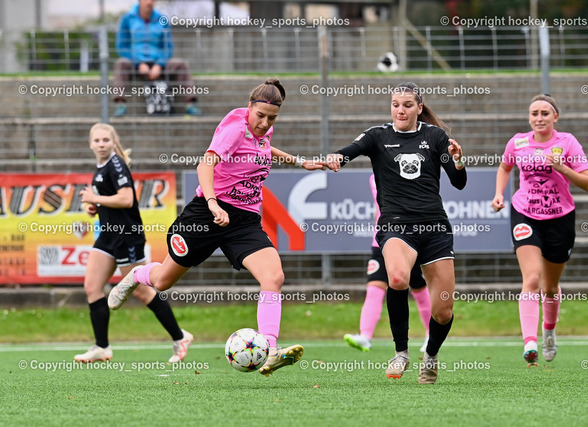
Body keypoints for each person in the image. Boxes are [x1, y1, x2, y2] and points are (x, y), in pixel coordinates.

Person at [108, 79, 323, 377]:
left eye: (271, 119)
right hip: (206, 217)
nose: (264, 124)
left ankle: (271, 351)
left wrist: (299, 162)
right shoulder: (234, 128)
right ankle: (135, 275)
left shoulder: (263, 129)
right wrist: (212, 203)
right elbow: (205, 164)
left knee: (274, 277)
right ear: (249, 107)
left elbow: (262, 148)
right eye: (260, 116)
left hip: (244, 221)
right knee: (162, 282)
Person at [326, 82, 467, 384]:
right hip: (395, 225)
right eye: (395, 104)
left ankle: (430, 356)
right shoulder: (378, 136)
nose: (400, 110)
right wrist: (336, 157)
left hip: (434, 228)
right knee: (399, 278)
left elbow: (458, 182)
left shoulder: (435, 137)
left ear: (419, 107)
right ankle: (401, 353)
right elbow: (349, 151)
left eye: (407, 105)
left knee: (443, 310)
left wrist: (457, 159)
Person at [74, 123, 193, 364]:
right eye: (97, 140)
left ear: (113, 142)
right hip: (108, 235)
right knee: (92, 288)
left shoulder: (116, 164)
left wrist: (94, 197)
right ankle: (101, 347)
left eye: (105, 140)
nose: (101, 144)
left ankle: (180, 337)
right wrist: (95, 206)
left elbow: (126, 199)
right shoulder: (101, 167)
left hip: (127, 236)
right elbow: (110, 199)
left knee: (141, 290)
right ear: (90, 144)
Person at [491, 94, 588, 366]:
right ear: (529, 118)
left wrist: (563, 168)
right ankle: (530, 342)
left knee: (549, 288)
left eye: (545, 113)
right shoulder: (518, 142)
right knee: (532, 278)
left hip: (560, 218)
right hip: (525, 214)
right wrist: (499, 193)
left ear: (555, 117)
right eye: (534, 113)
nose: (539, 118)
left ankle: (548, 331)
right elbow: (505, 166)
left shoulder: (567, 142)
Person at [344, 174, 431, 353]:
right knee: (375, 286)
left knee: (418, 287)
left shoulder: (411, 171)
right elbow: (379, 209)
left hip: (409, 240)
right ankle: (365, 336)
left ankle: (432, 334)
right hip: (381, 241)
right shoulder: (374, 177)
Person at [113, 0, 202, 117]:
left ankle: (190, 104)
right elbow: (122, 46)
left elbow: (168, 47)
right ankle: (120, 104)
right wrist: (138, 63)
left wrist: (159, 64)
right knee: (121, 63)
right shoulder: (127, 19)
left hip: (158, 63)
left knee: (181, 64)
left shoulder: (162, 19)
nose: (148, 3)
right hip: (135, 63)